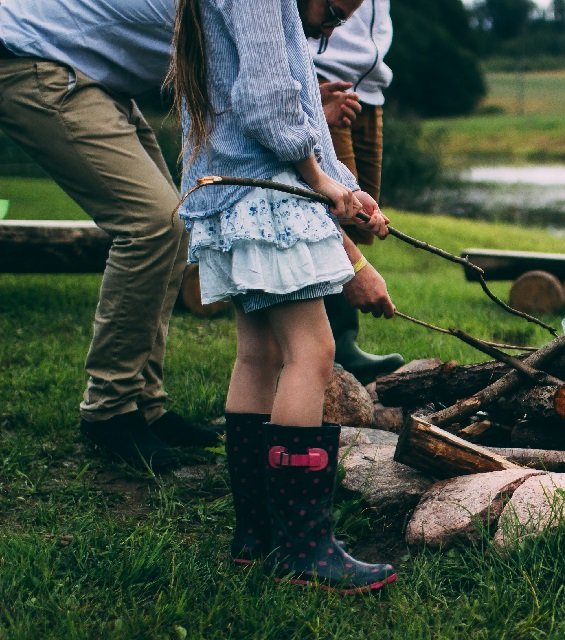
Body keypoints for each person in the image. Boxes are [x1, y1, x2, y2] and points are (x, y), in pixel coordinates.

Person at [169, 0, 398, 593]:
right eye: (335, 7)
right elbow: (268, 100)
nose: (337, 21)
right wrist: (322, 183)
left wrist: (348, 191)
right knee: (312, 355)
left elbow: (284, 107)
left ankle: (258, 536)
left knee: (259, 357)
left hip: (230, 189)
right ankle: (304, 547)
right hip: (263, 194)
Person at [0, 0, 221, 472]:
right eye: (330, 14)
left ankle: (145, 403)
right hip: (36, 57)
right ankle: (109, 410)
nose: (326, 30)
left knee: (173, 225)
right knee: (152, 224)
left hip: (92, 73)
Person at [311, 0, 406, 383]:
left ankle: (334, 340)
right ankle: (334, 342)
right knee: (331, 209)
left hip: (370, 86)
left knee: (360, 218)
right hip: (323, 77)